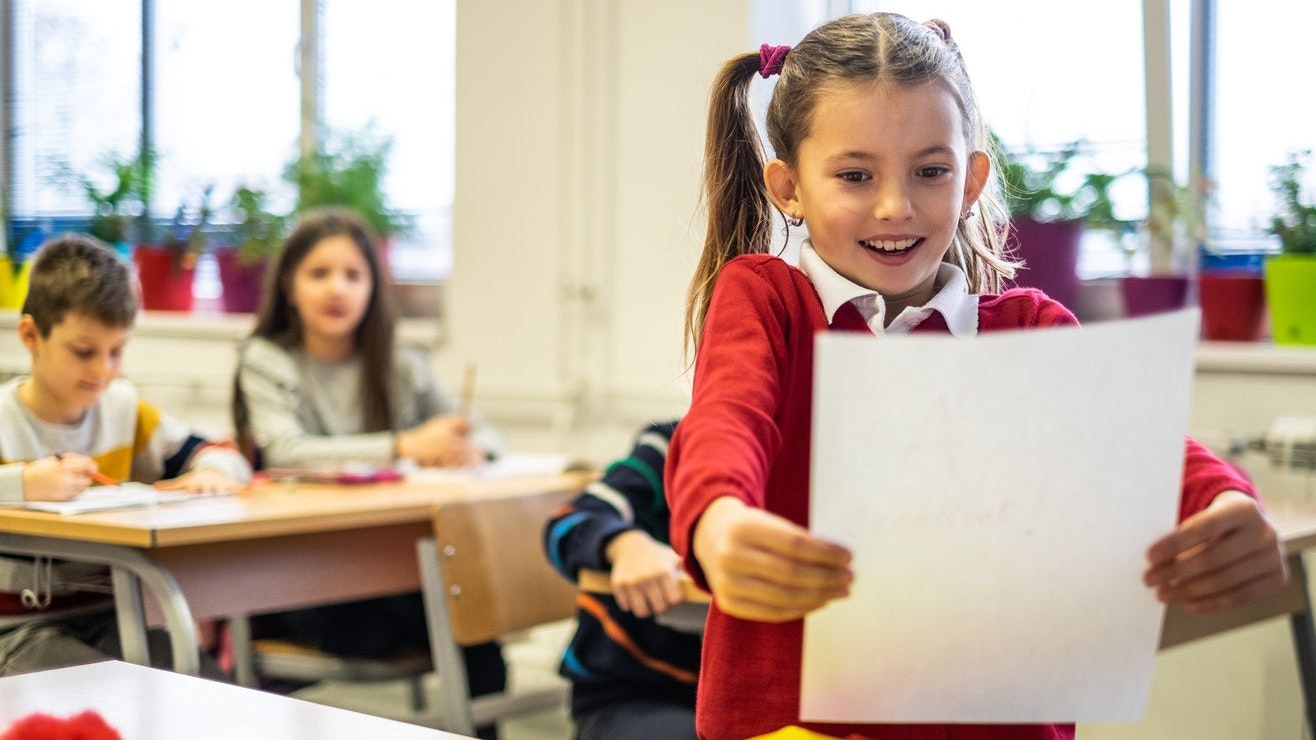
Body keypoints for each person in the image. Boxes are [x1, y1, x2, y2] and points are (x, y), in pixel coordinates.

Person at [664, 13, 1288, 740]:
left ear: (971, 179)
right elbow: (725, 420)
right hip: (789, 724)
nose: (896, 205)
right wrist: (718, 517)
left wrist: (1223, 503)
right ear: (789, 187)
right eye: (855, 175)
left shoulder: (1028, 328)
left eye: (931, 171)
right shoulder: (766, 298)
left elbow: (1139, 446)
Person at [232, 207, 505, 738]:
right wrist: (406, 445)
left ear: (373, 289)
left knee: (477, 625)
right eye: (319, 273)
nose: (337, 289)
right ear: (289, 285)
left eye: (353, 275)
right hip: (307, 578)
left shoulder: (401, 364)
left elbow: (486, 436)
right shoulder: (266, 359)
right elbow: (283, 452)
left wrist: (466, 450)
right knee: (458, 613)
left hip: (400, 571)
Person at [0, 234, 250, 676]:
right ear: (31, 335)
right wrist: (22, 484)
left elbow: (223, 453)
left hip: (112, 621)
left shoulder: (124, 410)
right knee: (105, 692)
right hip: (17, 633)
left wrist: (211, 469)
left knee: (203, 681)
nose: (103, 370)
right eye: (84, 352)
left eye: (117, 351)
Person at [543, 420, 701, 740]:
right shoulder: (671, 446)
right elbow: (566, 523)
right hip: (633, 696)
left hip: (749, 701)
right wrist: (625, 544)